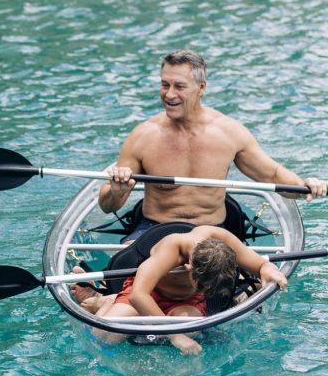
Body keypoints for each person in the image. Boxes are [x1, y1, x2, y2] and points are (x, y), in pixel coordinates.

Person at [99, 49, 327, 238]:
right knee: (124, 273)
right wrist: (117, 192)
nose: (169, 94)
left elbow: (273, 175)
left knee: (237, 283)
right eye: (164, 84)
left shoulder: (229, 132)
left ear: (201, 88)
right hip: (154, 228)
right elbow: (107, 206)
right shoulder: (142, 136)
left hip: (212, 231)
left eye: (179, 86)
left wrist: (305, 186)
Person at [74, 224, 288, 355]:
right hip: (146, 293)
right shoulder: (171, 248)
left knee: (191, 330)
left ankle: (167, 323)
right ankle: (107, 302)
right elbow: (140, 295)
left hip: (187, 300)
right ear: (189, 267)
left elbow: (259, 264)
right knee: (105, 336)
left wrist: (268, 270)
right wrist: (173, 335)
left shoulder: (221, 240)